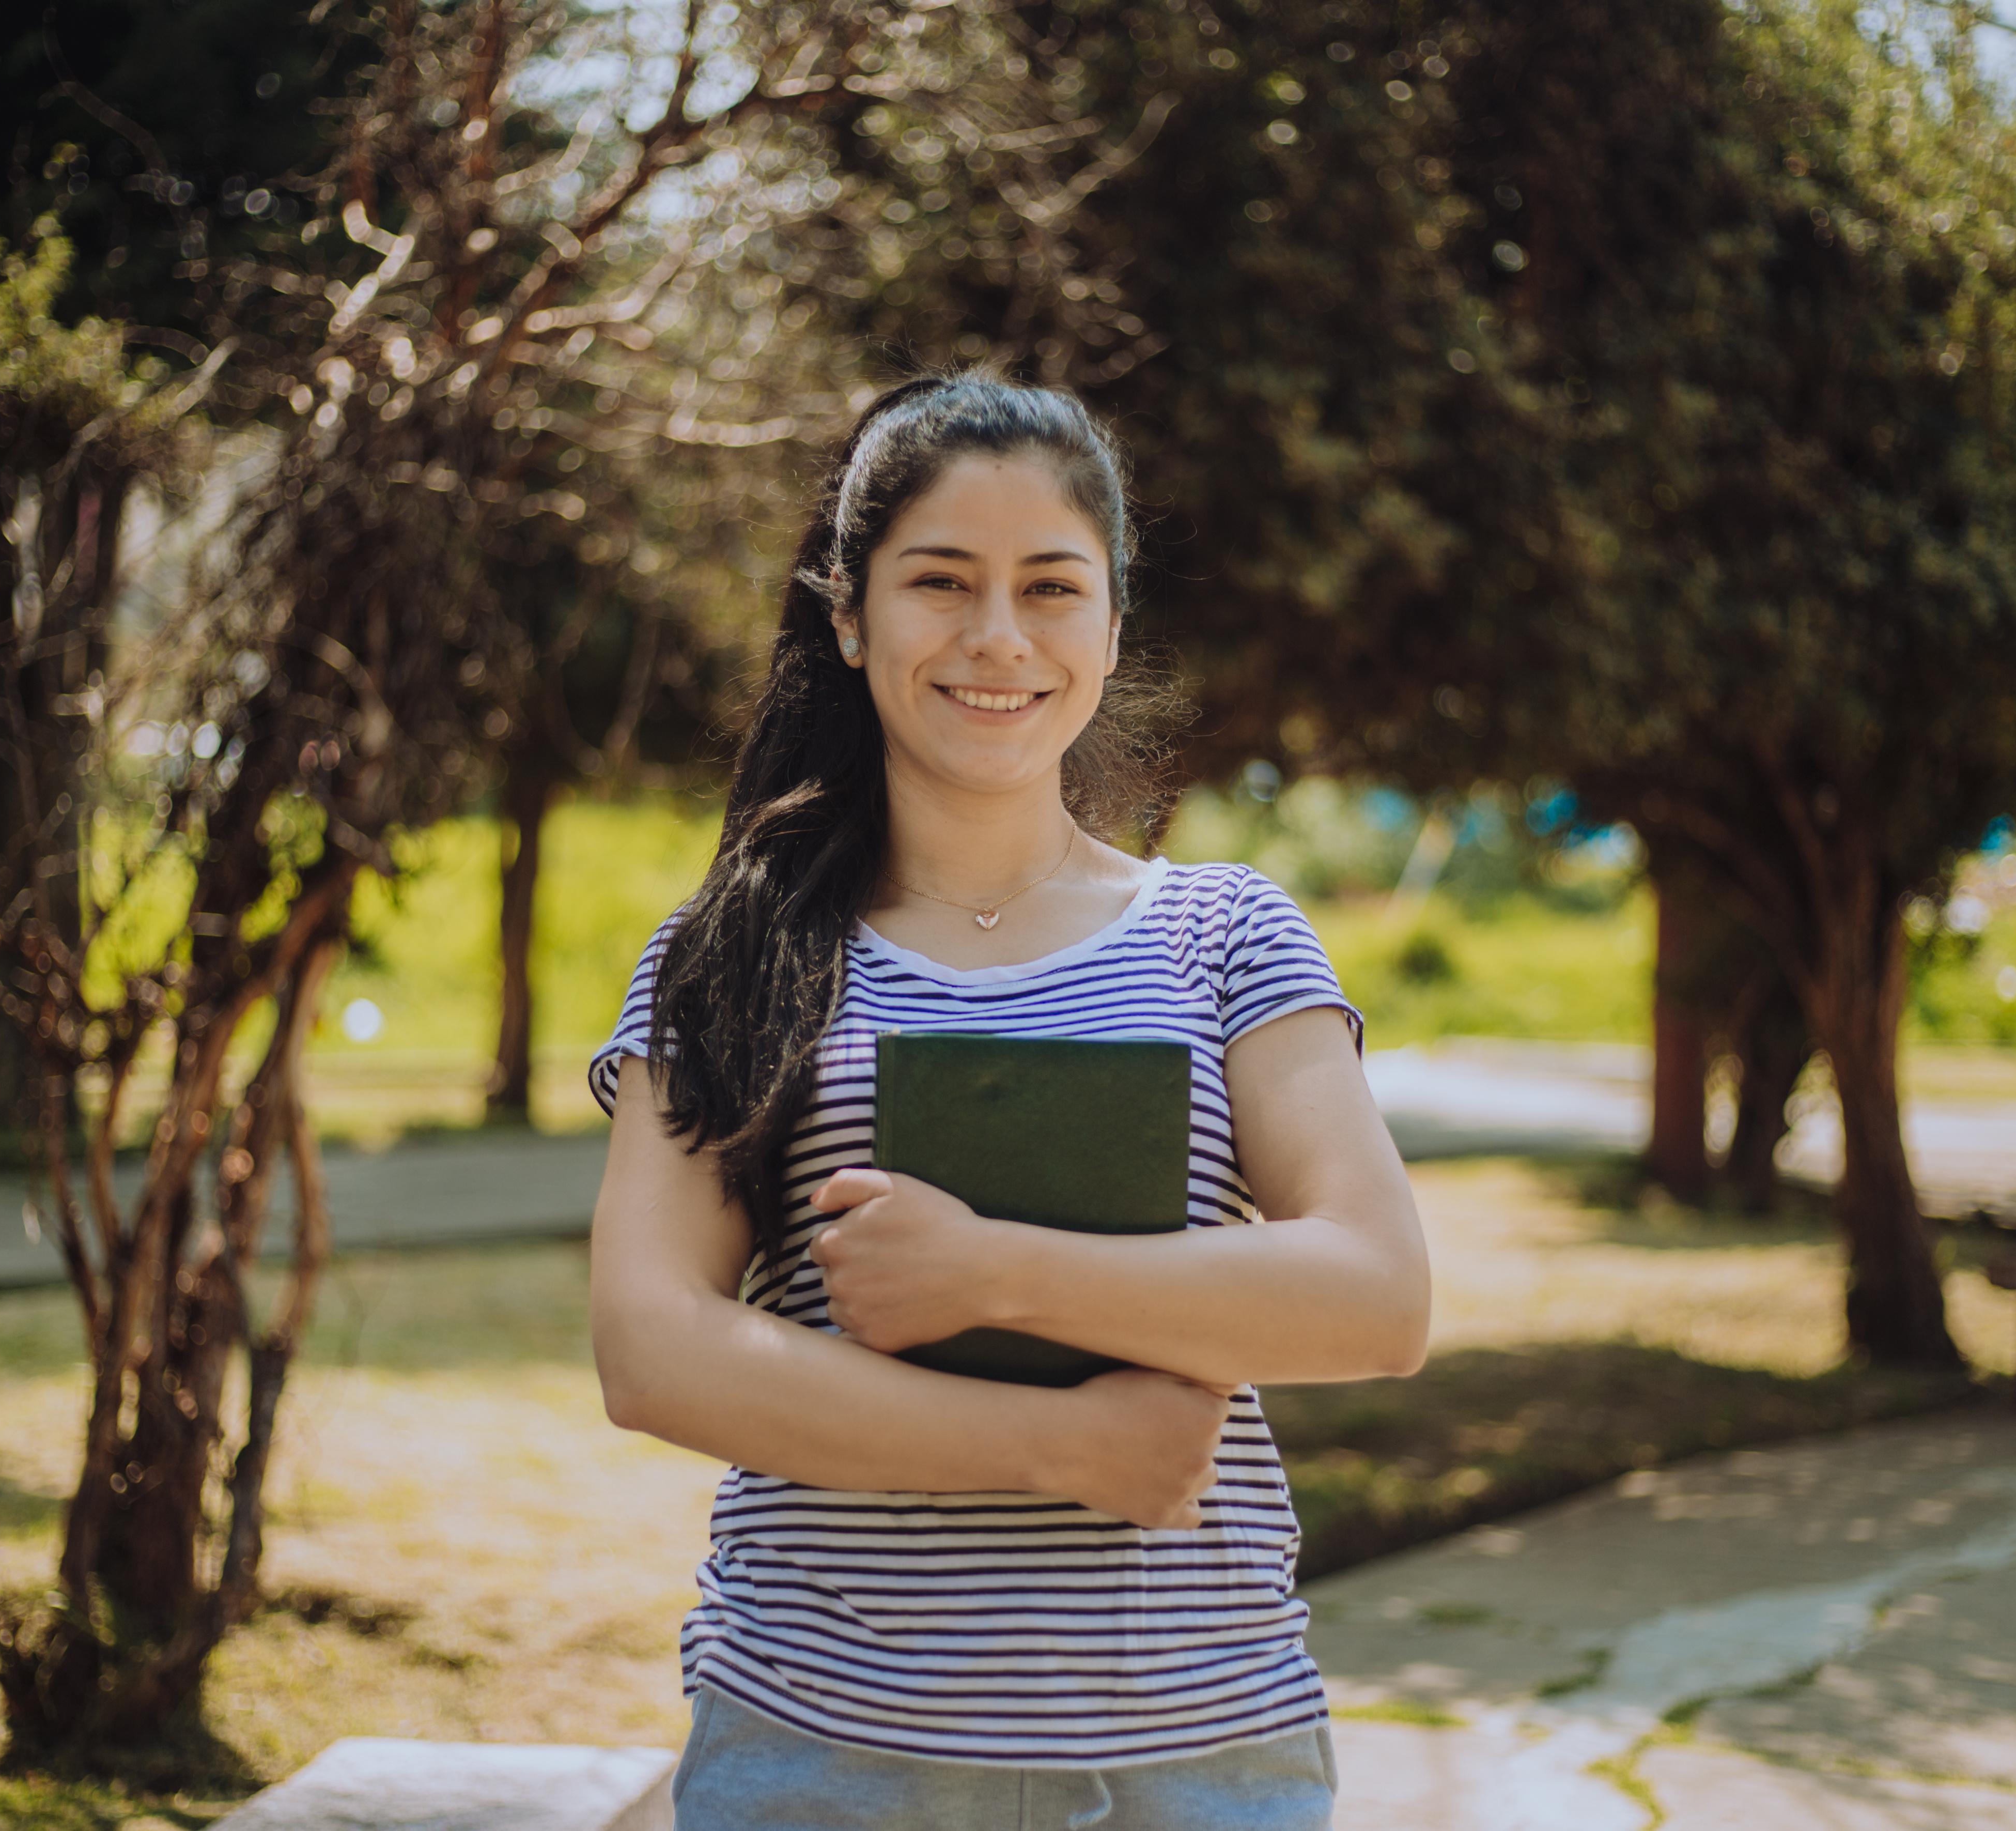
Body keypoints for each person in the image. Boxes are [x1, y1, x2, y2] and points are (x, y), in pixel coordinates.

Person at [588, 372, 1429, 1829]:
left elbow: (1376, 1296)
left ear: (1110, 625)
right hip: (826, 1753)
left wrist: (992, 1273)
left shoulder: (1227, 935)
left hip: (1198, 1753)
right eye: (939, 582)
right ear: (848, 615)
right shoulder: (729, 950)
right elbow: (650, 1349)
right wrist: (1062, 1447)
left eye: (1051, 587)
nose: (996, 638)